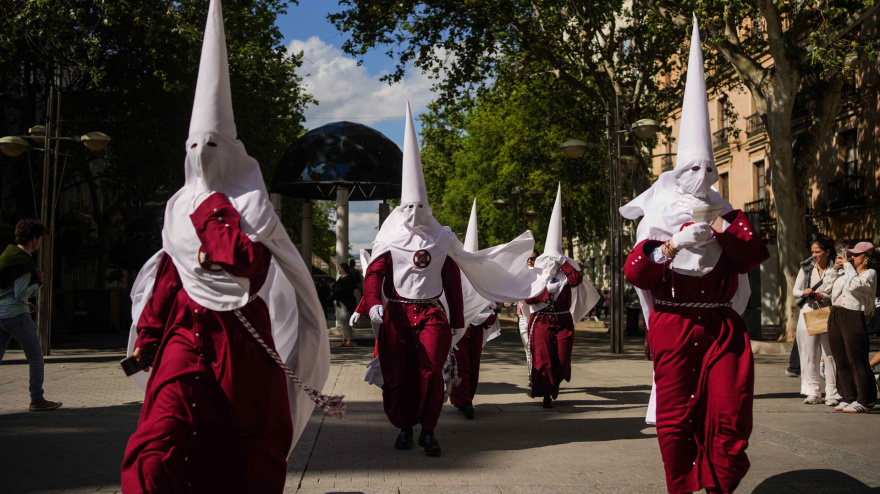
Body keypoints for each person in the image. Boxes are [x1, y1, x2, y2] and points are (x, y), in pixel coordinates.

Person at [121, 2, 335, 491]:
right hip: (182, 335)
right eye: (194, 148)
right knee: (156, 448)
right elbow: (171, 277)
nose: (200, 158)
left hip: (240, 341)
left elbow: (246, 265)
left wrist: (213, 206)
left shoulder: (250, 205)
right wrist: (149, 337)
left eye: (211, 147)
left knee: (252, 448)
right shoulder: (176, 207)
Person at [620, 17, 769, 494]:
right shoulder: (657, 217)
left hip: (723, 327)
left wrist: (722, 226)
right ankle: (682, 486)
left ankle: (720, 483)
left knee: (729, 411)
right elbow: (635, 272)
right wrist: (672, 244)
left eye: (709, 167)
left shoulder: (732, 213)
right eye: (692, 166)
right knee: (675, 416)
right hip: (674, 325)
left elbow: (751, 257)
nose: (702, 173)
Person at [350, 102, 544, 457]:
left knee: (431, 372)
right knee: (399, 376)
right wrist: (375, 304)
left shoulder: (441, 239)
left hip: (431, 316)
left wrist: (457, 323)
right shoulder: (388, 239)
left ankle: (428, 430)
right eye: (408, 207)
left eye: (419, 207)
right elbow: (375, 274)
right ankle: (404, 426)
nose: (414, 213)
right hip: (396, 317)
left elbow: (453, 281)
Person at [524, 184, 599, 408]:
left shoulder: (568, 266)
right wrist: (545, 295)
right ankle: (546, 392)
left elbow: (576, 280)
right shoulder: (536, 269)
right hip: (542, 319)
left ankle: (556, 382)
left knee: (563, 357)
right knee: (544, 357)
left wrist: (562, 262)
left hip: (563, 319)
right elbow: (528, 296)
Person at [0, 219, 62, 412]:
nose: (40, 243)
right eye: (40, 239)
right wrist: (39, 284)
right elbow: (19, 293)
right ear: (34, 239)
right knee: (35, 357)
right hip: (16, 316)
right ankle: (37, 399)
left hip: (1, 313)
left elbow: (7, 291)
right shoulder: (24, 260)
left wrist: (23, 303)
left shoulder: (6, 255)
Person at [450, 200, 502, 419]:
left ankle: (468, 396)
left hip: (477, 327)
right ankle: (463, 399)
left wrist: (490, 315)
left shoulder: (482, 278)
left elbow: (491, 303)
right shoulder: (455, 275)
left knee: (474, 364)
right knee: (461, 364)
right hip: (460, 327)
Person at [826, 241, 877, 413]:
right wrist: (834, 269)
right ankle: (848, 396)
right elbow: (827, 289)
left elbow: (856, 286)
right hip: (836, 313)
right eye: (850, 254)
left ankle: (865, 400)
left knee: (857, 358)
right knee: (840, 358)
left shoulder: (869, 273)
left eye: (856, 255)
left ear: (867, 258)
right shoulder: (846, 272)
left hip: (854, 315)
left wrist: (847, 267)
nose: (852, 257)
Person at [793, 234, 841, 406]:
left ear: (827, 251)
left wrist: (824, 296)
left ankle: (832, 392)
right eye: (812, 252)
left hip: (827, 311)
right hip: (810, 311)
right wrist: (805, 292)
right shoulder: (806, 268)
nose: (814, 255)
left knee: (829, 354)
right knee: (809, 353)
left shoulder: (835, 268)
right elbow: (795, 291)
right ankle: (813, 391)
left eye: (817, 251)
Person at [332, 263, 358, 346]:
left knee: (346, 320)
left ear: (343, 268)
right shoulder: (340, 278)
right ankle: (345, 338)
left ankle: (349, 339)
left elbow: (348, 289)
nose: (338, 270)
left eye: (339, 268)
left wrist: (337, 290)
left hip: (345, 302)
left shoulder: (349, 278)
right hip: (339, 301)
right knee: (341, 321)